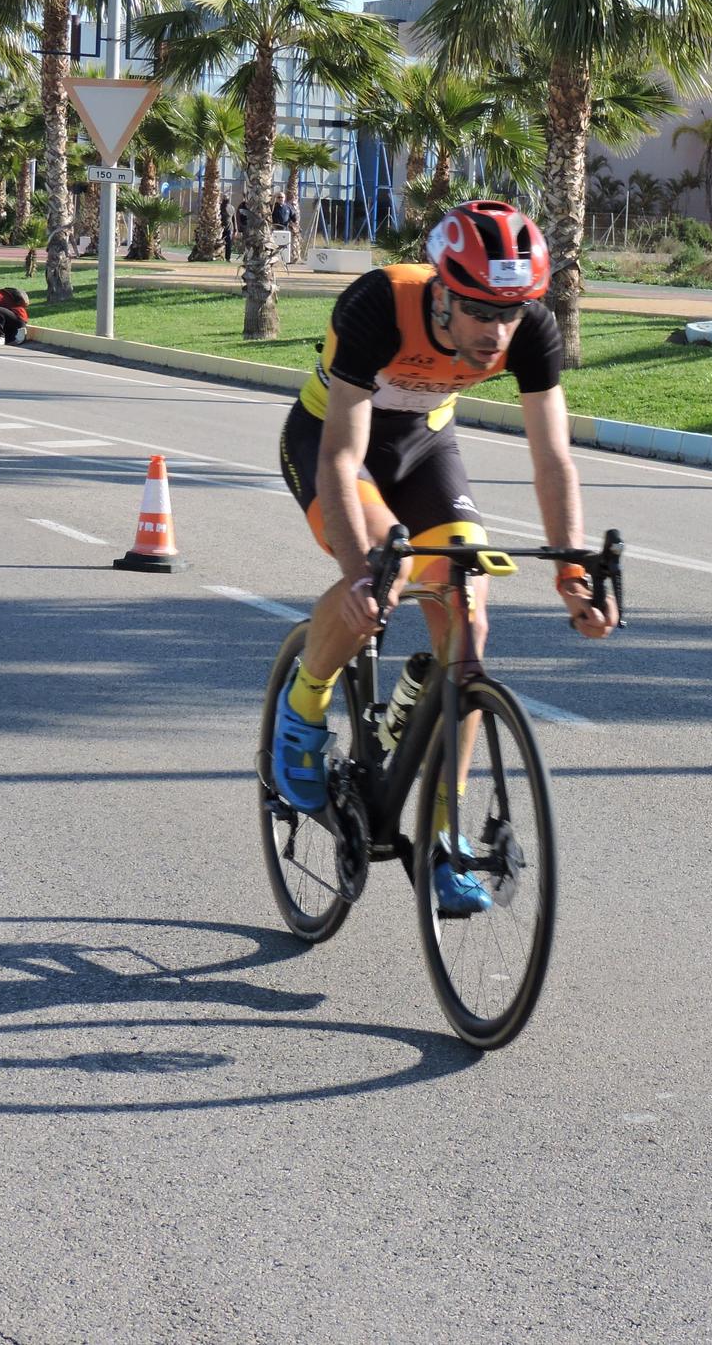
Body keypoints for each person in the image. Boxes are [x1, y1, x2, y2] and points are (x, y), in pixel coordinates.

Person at [270, 200, 617, 914]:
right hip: (333, 446)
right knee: (374, 585)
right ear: (442, 292)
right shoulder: (379, 303)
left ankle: (441, 837)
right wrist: (361, 571)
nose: (497, 332)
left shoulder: (530, 328)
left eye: (512, 312)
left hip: (426, 449)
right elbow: (340, 454)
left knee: (469, 616)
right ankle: (301, 712)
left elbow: (553, 459)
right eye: (482, 313)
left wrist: (574, 575)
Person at [220, 194, 233, 262]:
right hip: (220, 228)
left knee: (228, 244)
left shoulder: (231, 207)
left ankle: (228, 258)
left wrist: (236, 229)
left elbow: (233, 219)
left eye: (226, 199)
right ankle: (219, 256)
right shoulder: (220, 207)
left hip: (229, 228)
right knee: (219, 243)